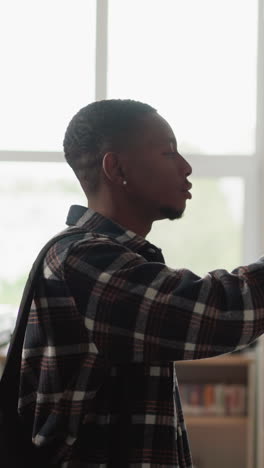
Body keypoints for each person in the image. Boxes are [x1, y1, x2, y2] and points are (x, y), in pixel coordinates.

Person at [18, 99, 264, 468]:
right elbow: (217, 313)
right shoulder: (82, 259)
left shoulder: (114, 258)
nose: (186, 167)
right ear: (116, 168)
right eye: (168, 153)